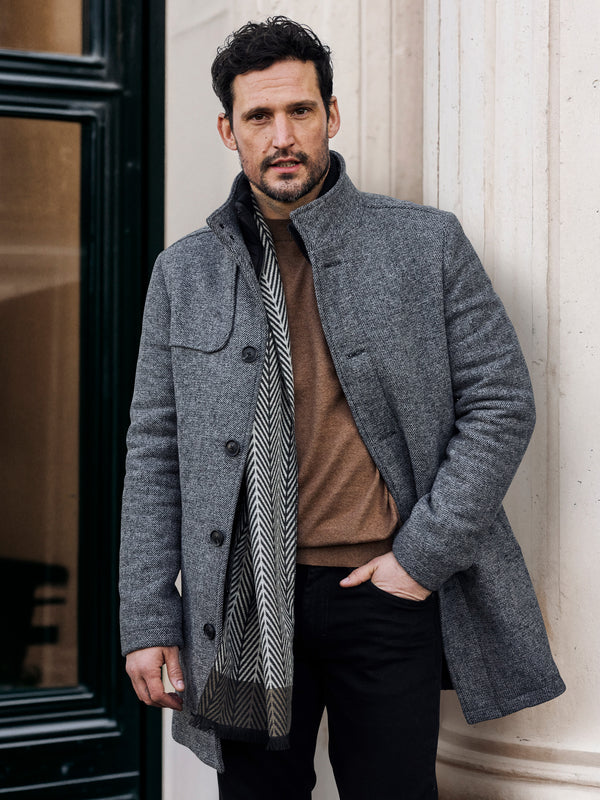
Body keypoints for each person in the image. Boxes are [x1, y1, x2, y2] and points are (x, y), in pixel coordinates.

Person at [119, 16, 565, 800]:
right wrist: (148, 618)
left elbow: (501, 403)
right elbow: (155, 449)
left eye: (300, 111)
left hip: (382, 592)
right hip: (244, 601)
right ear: (228, 130)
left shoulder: (425, 245)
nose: (282, 136)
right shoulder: (183, 273)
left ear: (331, 115)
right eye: (259, 116)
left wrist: (422, 559)